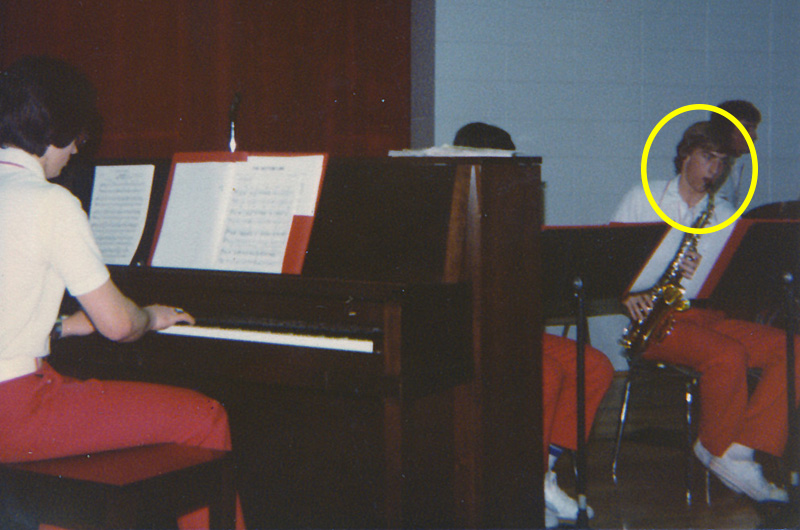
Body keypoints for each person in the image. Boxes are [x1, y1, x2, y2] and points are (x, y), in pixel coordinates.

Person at [0, 56, 244, 529]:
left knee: (80, 442)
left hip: (15, 397)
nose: (74, 151)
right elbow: (118, 326)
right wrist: (149, 316)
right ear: (56, 130)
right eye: (77, 137)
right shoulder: (50, 202)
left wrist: (66, 324)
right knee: (205, 418)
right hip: (14, 410)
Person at [612, 120, 800, 503]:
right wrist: (627, 294)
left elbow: (735, 276)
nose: (714, 170)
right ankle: (715, 448)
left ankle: (740, 450)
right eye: (708, 158)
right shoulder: (642, 197)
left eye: (723, 163)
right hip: (657, 321)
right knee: (727, 356)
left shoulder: (724, 211)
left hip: (709, 316)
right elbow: (611, 263)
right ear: (685, 155)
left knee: (793, 348)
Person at [454, 124, 614, 526]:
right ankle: (523, 485)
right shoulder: (455, 210)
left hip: (511, 330)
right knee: (545, 374)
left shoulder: (514, 211)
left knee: (593, 366)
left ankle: (543, 476)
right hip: (471, 334)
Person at [709, 100, 761, 209]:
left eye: (754, 129)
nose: (754, 135)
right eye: (746, 128)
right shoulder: (709, 168)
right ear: (726, 129)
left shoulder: (735, 165)